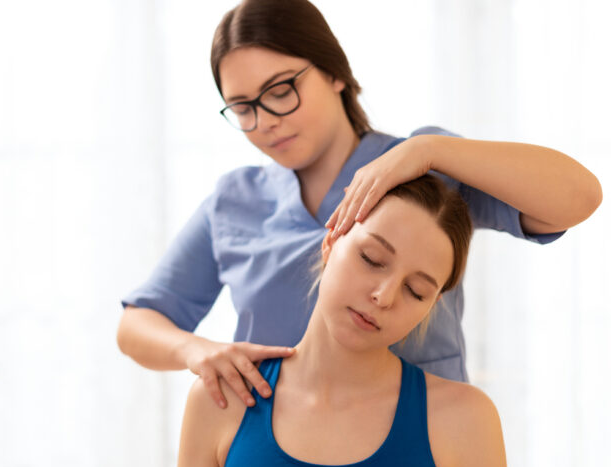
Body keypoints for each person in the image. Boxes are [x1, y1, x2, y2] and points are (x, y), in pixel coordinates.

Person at [117, 0, 602, 408]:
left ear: (334, 73)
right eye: (243, 108)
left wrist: (429, 150)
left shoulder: (425, 169)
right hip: (275, 454)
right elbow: (138, 323)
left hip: (421, 449)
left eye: (280, 91)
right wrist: (197, 352)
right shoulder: (234, 202)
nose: (265, 121)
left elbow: (578, 197)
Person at [173, 175, 507, 467]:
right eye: (371, 259)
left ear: (430, 307)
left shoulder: (466, 420)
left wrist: (426, 151)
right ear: (331, 242)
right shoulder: (221, 399)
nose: (384, 296)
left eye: (415, 291)